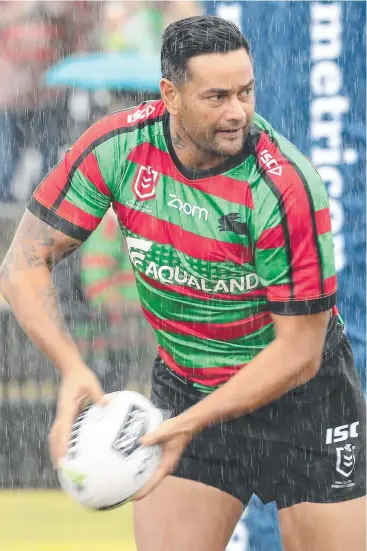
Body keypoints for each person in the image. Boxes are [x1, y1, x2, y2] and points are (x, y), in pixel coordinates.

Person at [0, 15, 365, 551]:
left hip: (306, 403)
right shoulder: (119, 148)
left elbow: (300, 354)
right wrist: (72, 367)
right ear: (170, 94)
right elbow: (23, 262)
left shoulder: (285, 185)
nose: (237, 112)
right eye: (216, 96)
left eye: (246, 91)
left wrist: (191, 422)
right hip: (186, 386)